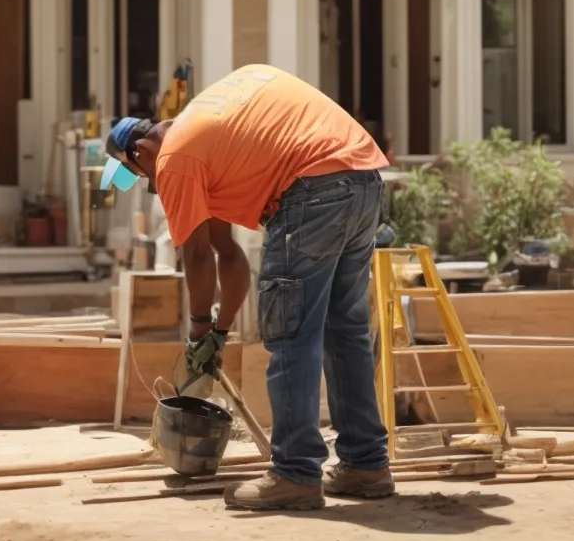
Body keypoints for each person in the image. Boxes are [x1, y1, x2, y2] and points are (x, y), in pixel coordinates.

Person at [103, 65, 390, 511]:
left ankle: (295, 473)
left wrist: (198, 332)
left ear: (141, 151)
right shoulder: (208, 139)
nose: (150, 185)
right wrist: (220, 329)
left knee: (291, 333)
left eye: (139, 175)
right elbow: (227, 254)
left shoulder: (174, 158)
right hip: (363, 177)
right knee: (343, 331)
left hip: (312, 188)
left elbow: (197, 258)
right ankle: (366, 464)